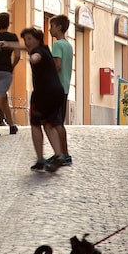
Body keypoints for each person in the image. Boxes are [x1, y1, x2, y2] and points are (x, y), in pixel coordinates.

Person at [0, 28, 66, 172]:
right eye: (25, 39)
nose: (26, 42)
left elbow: (36, 56)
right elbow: (24, 47)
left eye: (29, 39)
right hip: (57, 92)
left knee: (36, 124)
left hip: (43, 94)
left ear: (37, 39)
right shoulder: (45, 48)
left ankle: (41, 159)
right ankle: (59, 155)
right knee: (49, 125)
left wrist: (32, 58)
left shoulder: (38, 52)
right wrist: (9, 44)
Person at [49, 15, 73, 164]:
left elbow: (57, 65)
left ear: (58, 27)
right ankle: (61, 153)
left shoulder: (57, 45)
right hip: (64, 87)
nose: (50, 29)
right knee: (59, 122)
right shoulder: (68, 45)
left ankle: (63, 154)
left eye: (51, 26)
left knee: (56, 123)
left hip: (56, 87)